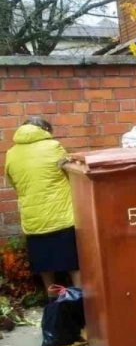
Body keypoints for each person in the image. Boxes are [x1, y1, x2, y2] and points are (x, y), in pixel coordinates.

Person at [4, 117, 80, 294]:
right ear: (45, 130)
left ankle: (52, 302)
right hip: (62, 216)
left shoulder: (11, 153)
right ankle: (78, 302)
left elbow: (14, 183)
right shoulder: (54, 147)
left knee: (45, 266)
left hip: (34, 221)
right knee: (74, 264)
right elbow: (70, 175)